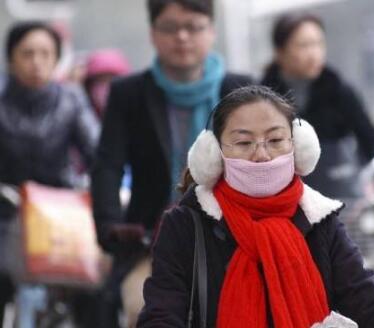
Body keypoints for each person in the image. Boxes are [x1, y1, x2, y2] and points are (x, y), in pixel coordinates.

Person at [137, 85, 374, 327]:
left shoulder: (319, 221)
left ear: (299, 147)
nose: (262, 155)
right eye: (244, 143)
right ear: (213, 155)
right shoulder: (186, 225)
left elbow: (371, 305)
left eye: (275, 140)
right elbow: (162, 315)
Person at [90, 0, 252, 326]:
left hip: (237, 240)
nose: (182, 36)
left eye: (193, 26)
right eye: (170, 27)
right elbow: (108, 166)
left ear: (211, 31)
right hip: (151, 242)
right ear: (152, 33)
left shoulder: (244, 91)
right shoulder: (128, 94)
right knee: (141, 308)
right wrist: (109, 226)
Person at [261, 13, 374, 304]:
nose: (312, 53)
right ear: (280, 52)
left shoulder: (339, 91)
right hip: (284, 204)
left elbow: (370, 135)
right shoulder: (261, 97)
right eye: (302, 45)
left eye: (318, 43)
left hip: (342, 200)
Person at [0, 21, 99, 327]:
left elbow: (97, 151)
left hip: (60, 214)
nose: (36, 62)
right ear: (11, 58)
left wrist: (99, 187)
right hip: (6, 211)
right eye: (27, 53)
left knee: (95, 289)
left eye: (45, 53)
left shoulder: (71, 99)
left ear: (57, 58)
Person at [83, 48, 131, 119]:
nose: (106, 87)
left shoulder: (135, 118)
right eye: (100, 81)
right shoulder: (80, 117)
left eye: (112, 80)